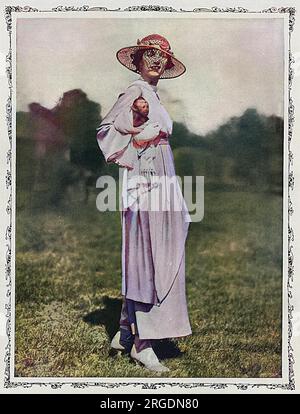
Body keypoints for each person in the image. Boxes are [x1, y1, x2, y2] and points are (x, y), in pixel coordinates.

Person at [96, 34, 192, 373]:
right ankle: (142, 343)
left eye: (162, 56)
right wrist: (137, 128)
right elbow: (108, 130)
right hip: (145, 176)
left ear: (166, 64)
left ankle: (125, 330)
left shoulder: (153, 95)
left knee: (166, 239)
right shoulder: (135, 91)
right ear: (137, 61)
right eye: (149, 54)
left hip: (161, 173)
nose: (156, 60)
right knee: (148, 251)